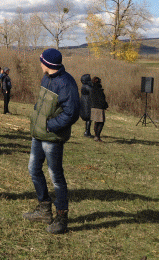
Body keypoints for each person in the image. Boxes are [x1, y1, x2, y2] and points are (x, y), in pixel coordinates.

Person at [23, 48, 79, 234]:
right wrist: (36, 121)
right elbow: (41, 105)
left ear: (48, 64)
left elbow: (71, 113)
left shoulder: (66, 83)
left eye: (41, 61)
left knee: (56, 176)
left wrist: (50, 125)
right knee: (33, 169)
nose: (40, 64)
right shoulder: (46, 78)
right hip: (38, 135)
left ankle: (61, 218)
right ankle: (44, 209)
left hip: (52, 137)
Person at [90, 76, 109, 142]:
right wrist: (105, 106)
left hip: (93, 107)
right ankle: (97, 136)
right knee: (101, 123)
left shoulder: (92, 88)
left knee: (96, 122)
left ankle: (96, 136)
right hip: (99, 108)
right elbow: (101, 100)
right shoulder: (99, 89)